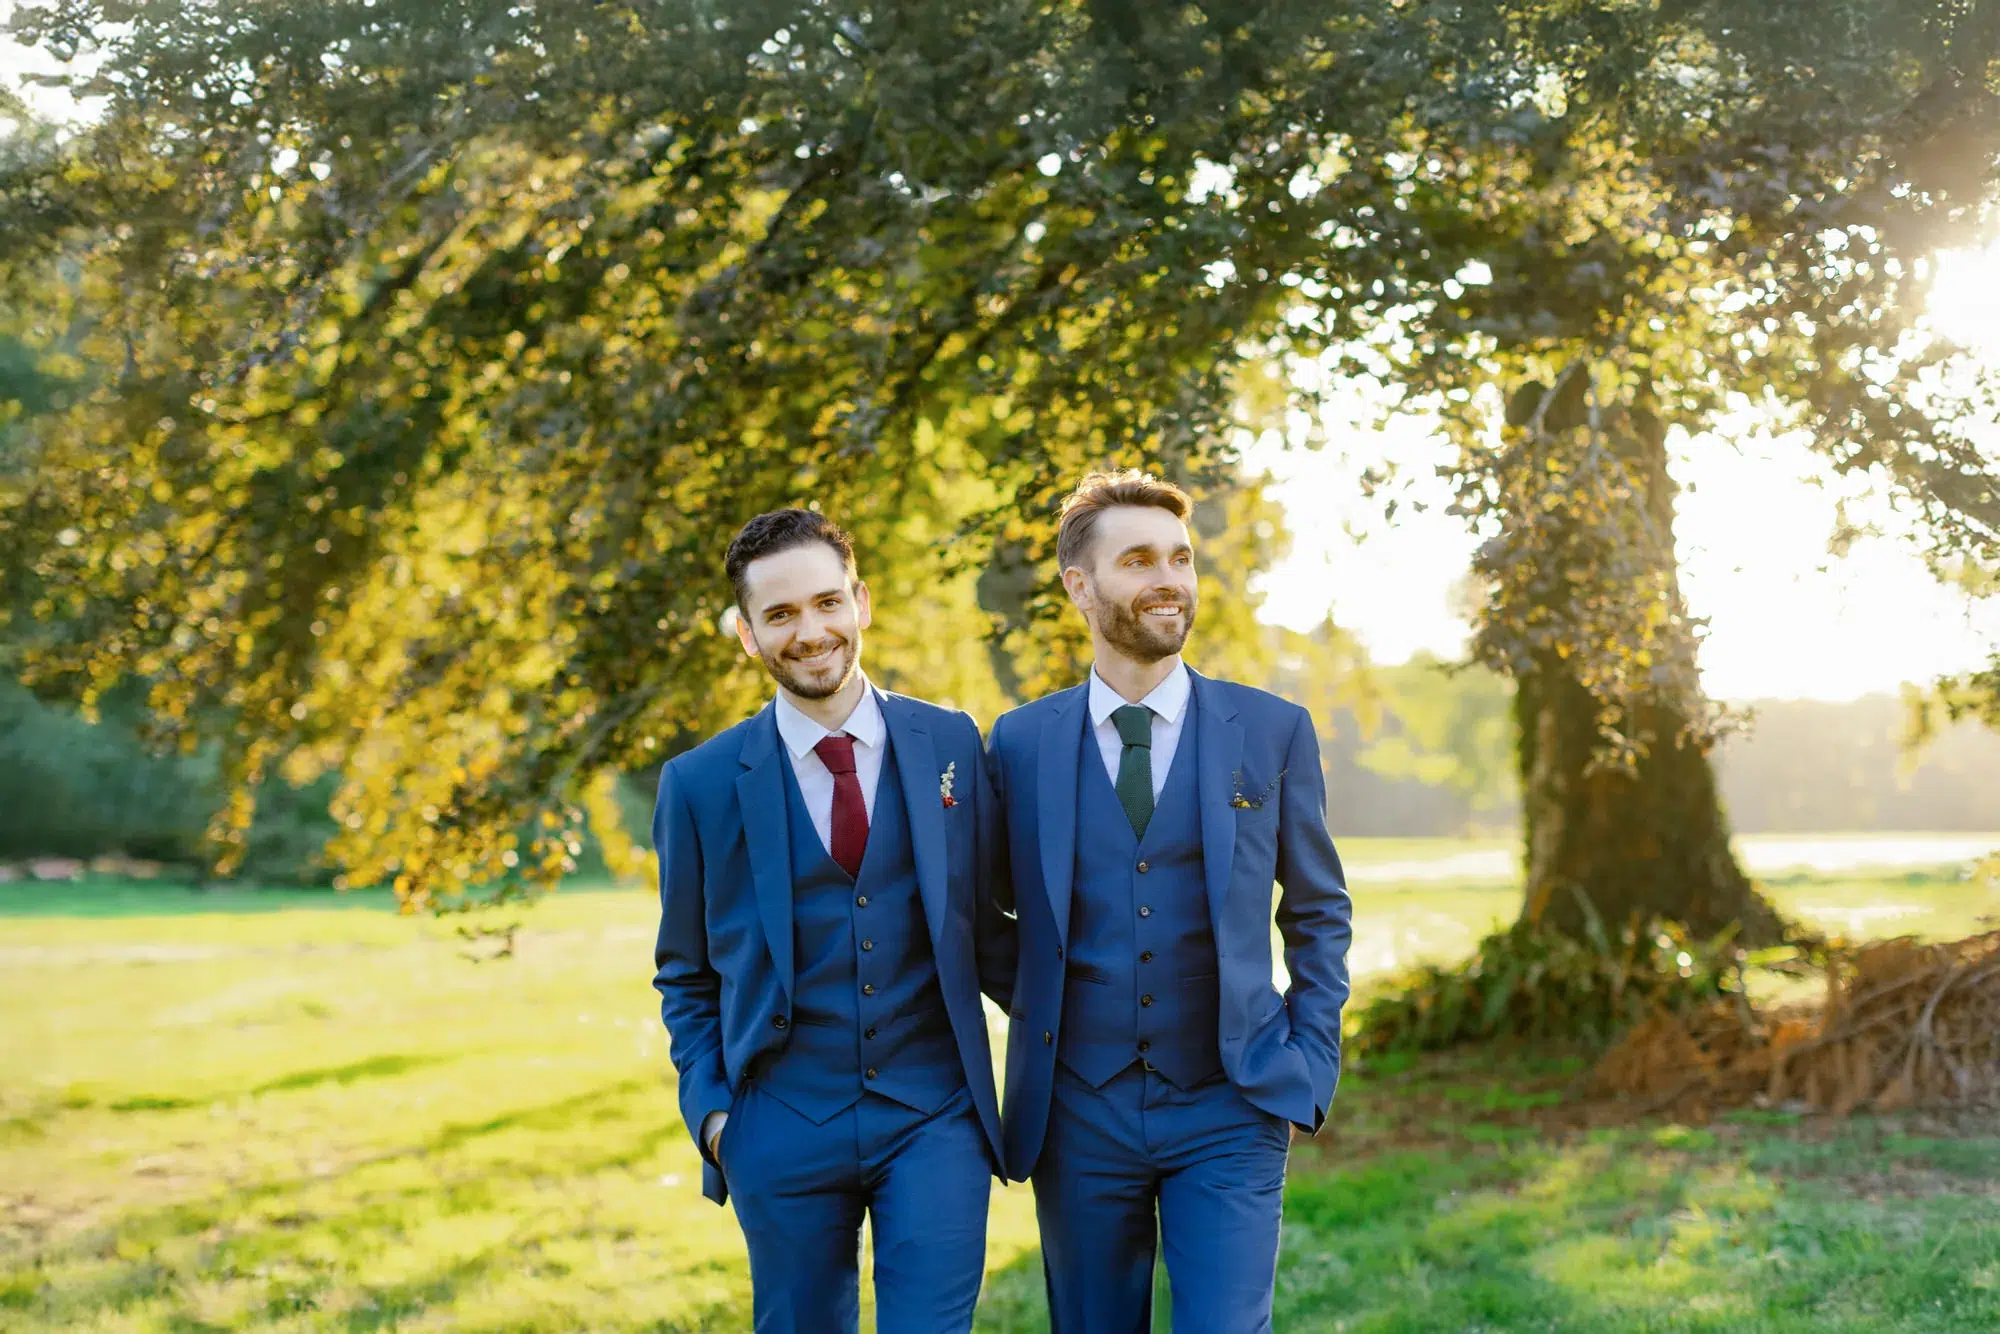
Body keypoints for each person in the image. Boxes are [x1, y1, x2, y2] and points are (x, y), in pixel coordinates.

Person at [985, 470, 1353, 1333]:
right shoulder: (1021, 742)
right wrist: (1054, 1012)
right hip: (1078, 1112)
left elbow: (1317, 910)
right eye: (1140, 559)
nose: (1170, 579)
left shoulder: (1271, 729)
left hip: (1233, 1099)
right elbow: (982, 919)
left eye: (1181, 558)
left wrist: (1308, 1062)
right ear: (1081, 585)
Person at [652, 508, 1009, 1334]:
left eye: (825, 603)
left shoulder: (950, 741)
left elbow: (991, 928)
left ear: (861, 602)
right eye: (779, 615)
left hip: (934, 1116)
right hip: (779, 1123)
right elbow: (685, 970)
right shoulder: (700, 783)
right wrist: (715, 1119)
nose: (809, 632)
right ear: (747, 634)